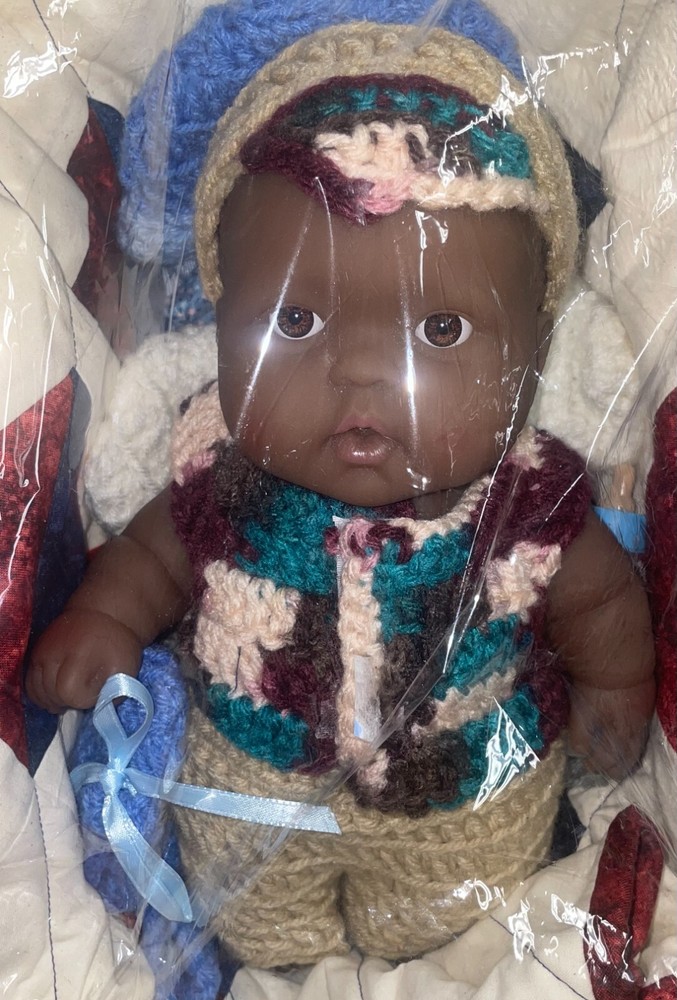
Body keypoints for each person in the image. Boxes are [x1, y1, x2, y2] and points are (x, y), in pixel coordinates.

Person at [26, 4, 655, 966]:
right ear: (221, 324)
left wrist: (613, 685)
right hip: (254, 779)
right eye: (295, 322)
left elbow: (601, 600)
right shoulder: (225, 481)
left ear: (529, 360)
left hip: (465, 797)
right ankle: (274, 957)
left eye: (439, 331)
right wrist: (102, 620)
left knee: (454, 932)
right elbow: (152, 558)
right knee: (259, 923)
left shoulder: (528, 502)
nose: (360, 371)